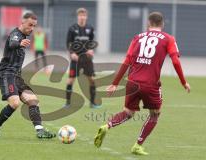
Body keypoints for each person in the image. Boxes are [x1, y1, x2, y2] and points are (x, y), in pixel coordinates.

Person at [94, 12, 190, 155]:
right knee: (155, 114)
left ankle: (107, 125)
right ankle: (137, 145)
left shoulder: (137, 37)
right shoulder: (168, 39)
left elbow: (127, 61)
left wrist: (114, 83)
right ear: (162, 24)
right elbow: (175, 61)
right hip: (150, 85)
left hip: (132, 82)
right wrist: (184, 82)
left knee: (128, 112)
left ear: (148, 24)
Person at [0, 12, 56, 139]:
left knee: (33, 101)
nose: (32, 28)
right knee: (15, 103)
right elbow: (12, 44)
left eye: (34, 26)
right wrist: (20, 43)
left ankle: (40, 131)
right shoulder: (16, 34)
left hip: (16, 76)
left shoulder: (24, 36)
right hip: (6, 74)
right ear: (22, 22)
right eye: (30, 25)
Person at [63, 8, 100, 109]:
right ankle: (67, 103)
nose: (82, 17)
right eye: (80, 15)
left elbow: (92, 42)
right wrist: (72, 53)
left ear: (86, 17)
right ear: (77, 16)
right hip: (76, 59)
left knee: (92, 80)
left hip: (87, 59)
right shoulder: (72, 28)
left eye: (84, 15)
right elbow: (68, 43)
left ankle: (92, 103)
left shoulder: (90, 28)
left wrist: (91, 50)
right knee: (70, 80)